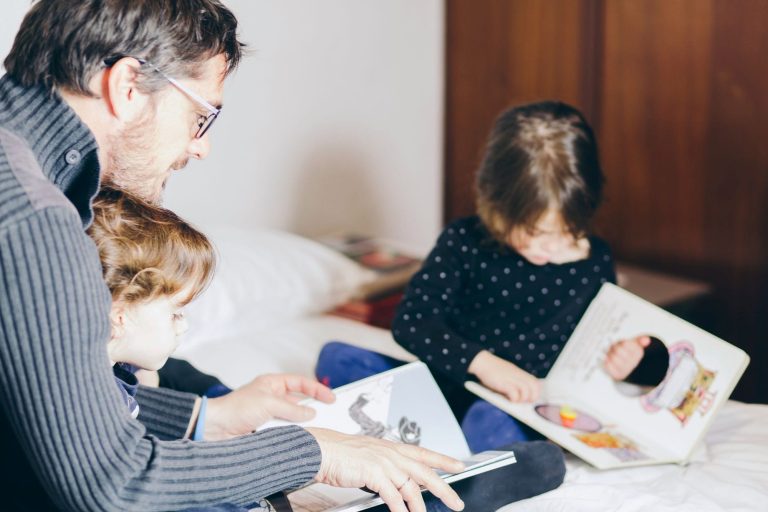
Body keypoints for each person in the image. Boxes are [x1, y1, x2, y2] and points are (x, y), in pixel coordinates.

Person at [0, 1, 466, 511]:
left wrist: (210, 418)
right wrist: (313, 453)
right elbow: (116, 485)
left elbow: (49, 401)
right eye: (202, 115)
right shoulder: (33, 218)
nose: (201, 147)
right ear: (128, 86)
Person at [316, 101, 650, 453]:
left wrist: (623, 359)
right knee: (337, 358)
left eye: (564, 232)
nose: (547, 247)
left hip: (517, 408)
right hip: (445, 384)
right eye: (532, 232)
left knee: (489, 424)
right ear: (496, 203)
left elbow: (596, 349)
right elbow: (412, 322)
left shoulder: (595, 259)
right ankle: (436, 438)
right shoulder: (464, 241)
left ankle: (465, 457)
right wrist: (485, 364)